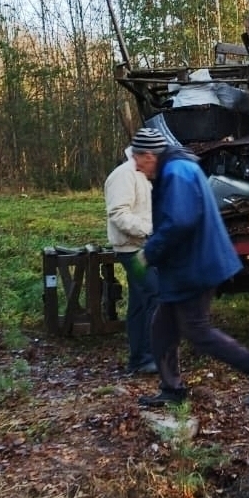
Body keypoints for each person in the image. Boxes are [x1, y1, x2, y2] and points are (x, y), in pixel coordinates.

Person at [126, 127, 249, 409]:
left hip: (196, 266)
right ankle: (171, 389)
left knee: (197, 331)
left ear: (149, 155)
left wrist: (148, 254)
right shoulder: (173, 169)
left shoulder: (176, 173)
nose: (137, 167)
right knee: (162, 328)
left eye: (138, 159)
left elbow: (180, 222)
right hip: (188, 265)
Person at [105, 143, 158, 375]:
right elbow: (118, 213)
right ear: (144, 155)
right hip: (131, 250)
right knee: (154, 295)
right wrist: (147, 230)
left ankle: (139, 358)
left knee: (139, 301)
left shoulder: (139, 175)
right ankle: (146, 357)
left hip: (138, 247)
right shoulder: (124, 175)